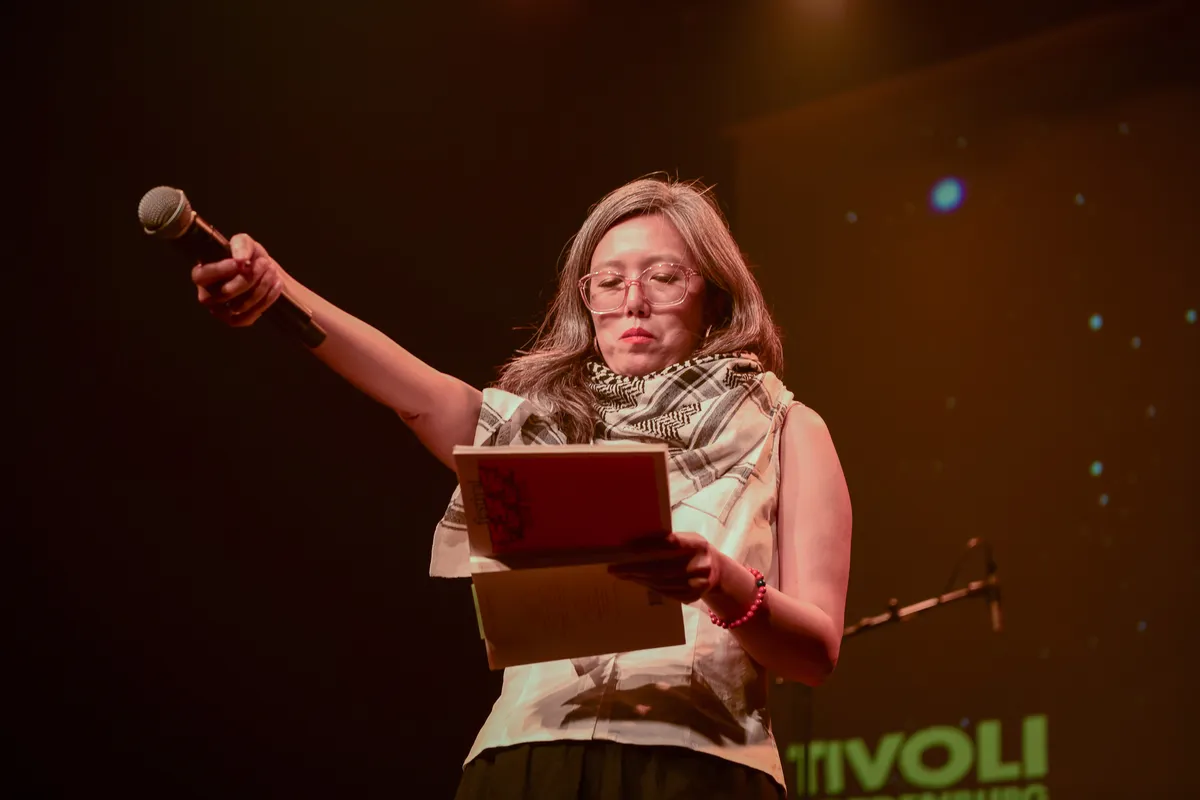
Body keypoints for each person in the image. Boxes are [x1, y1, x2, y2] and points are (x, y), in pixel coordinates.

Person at [190, 176, 853, 799]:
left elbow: (816, 654)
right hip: (526, 757)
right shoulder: (544, 425)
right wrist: (277, 289)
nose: (633, 301)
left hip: (699, 763)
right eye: (609, 281)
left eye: (664, 277)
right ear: (586, 300)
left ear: (714, 294)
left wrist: (722, 581)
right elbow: (415, 395)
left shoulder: (786, 427)